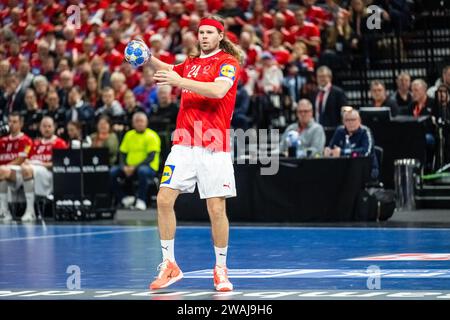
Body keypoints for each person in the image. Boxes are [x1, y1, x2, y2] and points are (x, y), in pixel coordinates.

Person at [146, 16, 241, 292]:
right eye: (201, 32)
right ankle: (169, 264)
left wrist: (180, 80)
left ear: (220, 36)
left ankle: (221, 269)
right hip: (184, 143)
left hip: (214, 144)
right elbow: (171, 70)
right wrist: (148, 57)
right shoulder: (190, 63)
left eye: (210, 32)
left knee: (216, 208)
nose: (204, 36)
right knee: (164, 199)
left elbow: (218, 90)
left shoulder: (227, 63)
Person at [16, 117, 68, 222]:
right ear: (40, 128)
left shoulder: (60, 143)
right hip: (31, 169)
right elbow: (26, 159)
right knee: (5, 171)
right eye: (44, 126)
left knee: (26, 170)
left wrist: (41, 164)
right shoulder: (34, 143)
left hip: (48, 173)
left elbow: (61, 164)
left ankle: (30, 211)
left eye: (49, 126)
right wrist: (27, 162)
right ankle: (5, 211)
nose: (47, 129)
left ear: (54, 127)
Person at [109, 112, 160, 211]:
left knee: (142, 171)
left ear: (146, 122)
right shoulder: (129, 135)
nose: (139, 123)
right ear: (133, 123)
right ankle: (125, 198)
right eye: (137, 121)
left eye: (141, 121)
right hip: (129, 167)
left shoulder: (152, 135)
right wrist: (124, 166)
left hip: (148, 167)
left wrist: (134, 167)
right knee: (112, 172)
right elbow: (122, 153)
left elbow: (151, 157)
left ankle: (141, 200)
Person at [324, 109, 379, 180]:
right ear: (343, 122)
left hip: (366, 168)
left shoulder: (365, 132)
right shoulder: (339, 131)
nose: (350, 123)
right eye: (347, 120)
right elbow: (332, 148)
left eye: (353, 120)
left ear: (359, 121)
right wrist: (328, 151)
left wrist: (342, 152)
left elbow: (366, 153)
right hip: (345, 169)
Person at [0, 112, 33, 222]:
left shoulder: (26, 140)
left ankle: (6, 211)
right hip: (4, 172)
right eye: (10, 121)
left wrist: (6, 166)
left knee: (2, 170)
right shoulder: (2, 140)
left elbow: (21, 160)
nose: (11, 124)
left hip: (19, 173)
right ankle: (4, 212)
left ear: (21, 124)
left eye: (15, 122)